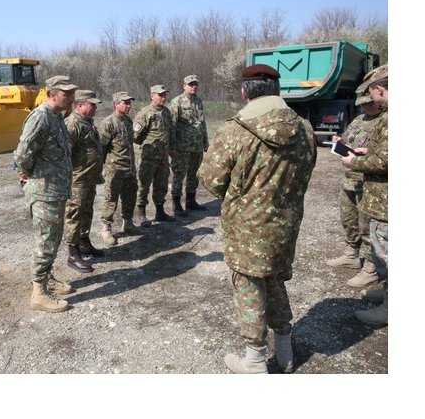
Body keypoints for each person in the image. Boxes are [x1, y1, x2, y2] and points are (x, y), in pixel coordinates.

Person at [199, 64, 317, 373]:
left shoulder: (235, 130)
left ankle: (253, 360)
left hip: (247, 231)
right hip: (285, 228)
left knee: (249, 287)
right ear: (278, 90)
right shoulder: (305, 128)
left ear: (244, 92)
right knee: (275, 281)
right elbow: (305, 174)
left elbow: (211, 181)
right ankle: (285, 352)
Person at [14, 75, 78, 313]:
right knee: (45, 241)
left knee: (53, 239)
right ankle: (38, 294)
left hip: (55, 190)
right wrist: (28, 173)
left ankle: (48, 279)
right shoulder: (40, 117)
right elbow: (22, 154)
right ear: (53, 94)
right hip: (44, 192)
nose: (71, 98)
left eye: (72, 93)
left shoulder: (56, 117)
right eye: (66, 94)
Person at [342, 64, 388, 326]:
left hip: (382, 195)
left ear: (377, 89)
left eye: (371, 95)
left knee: (386, 249)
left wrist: (356, 162)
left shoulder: (389, 118)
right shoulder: (362, 120)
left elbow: (386, 159)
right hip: (378, 193)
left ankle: (390, 307)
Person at [326, 83, 384, 290]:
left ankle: (371, 267)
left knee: (367, 225)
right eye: (363, 104)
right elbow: (349, 139)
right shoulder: (359, 120)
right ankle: (351, 254)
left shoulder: (384, 122)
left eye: (369, 103)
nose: (366, 107)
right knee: (348, 219)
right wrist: (340, 140)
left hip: (369, 182)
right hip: (349, 178)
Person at [64, 90, 104, 273]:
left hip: (90, 178)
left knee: (87, 211)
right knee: (75, 214)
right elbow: (64, 154)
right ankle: (73, 253)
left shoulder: (87, 122)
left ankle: (84, 242)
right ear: (80, 105)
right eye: (92, 104)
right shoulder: (72, 124)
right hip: (78, 180)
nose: (95, 107)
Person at [98, 91, 141, 246]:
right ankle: (106, 228)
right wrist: (100, 168)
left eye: (129, 103)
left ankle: (127, 223)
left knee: (130, 196)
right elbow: (101, 148)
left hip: (129, 168)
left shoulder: (128, 122)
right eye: (125, 103)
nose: (128, 105)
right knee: (111, 199)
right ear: (116, 104)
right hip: (114, 169)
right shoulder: (108, 123)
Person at [133, 85, 175, 224]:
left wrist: (170, 149)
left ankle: (160, 211)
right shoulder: (145, 113)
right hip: (148, 158)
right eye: (160, 95)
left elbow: (169, 132)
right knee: (144, 185)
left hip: (163, 157)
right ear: (152, 96)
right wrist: (148, 145)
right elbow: (135, 136)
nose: (163, 98)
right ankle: (141, 212)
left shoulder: (166, 112)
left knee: (161, 184)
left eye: (164, 95)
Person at [168, 75, 209, 216]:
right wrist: (171, 147)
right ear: (184, 86)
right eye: (191, 84)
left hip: (196, 146)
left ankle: (191, 202)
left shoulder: (198, 101)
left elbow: (202, 123)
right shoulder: (176, 102)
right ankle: (177, 205)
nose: (194, 87)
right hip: (182, 147)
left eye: (195, 84)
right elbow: (172, 126)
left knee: (194, 174)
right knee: (179, 175)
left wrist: (205, 141)